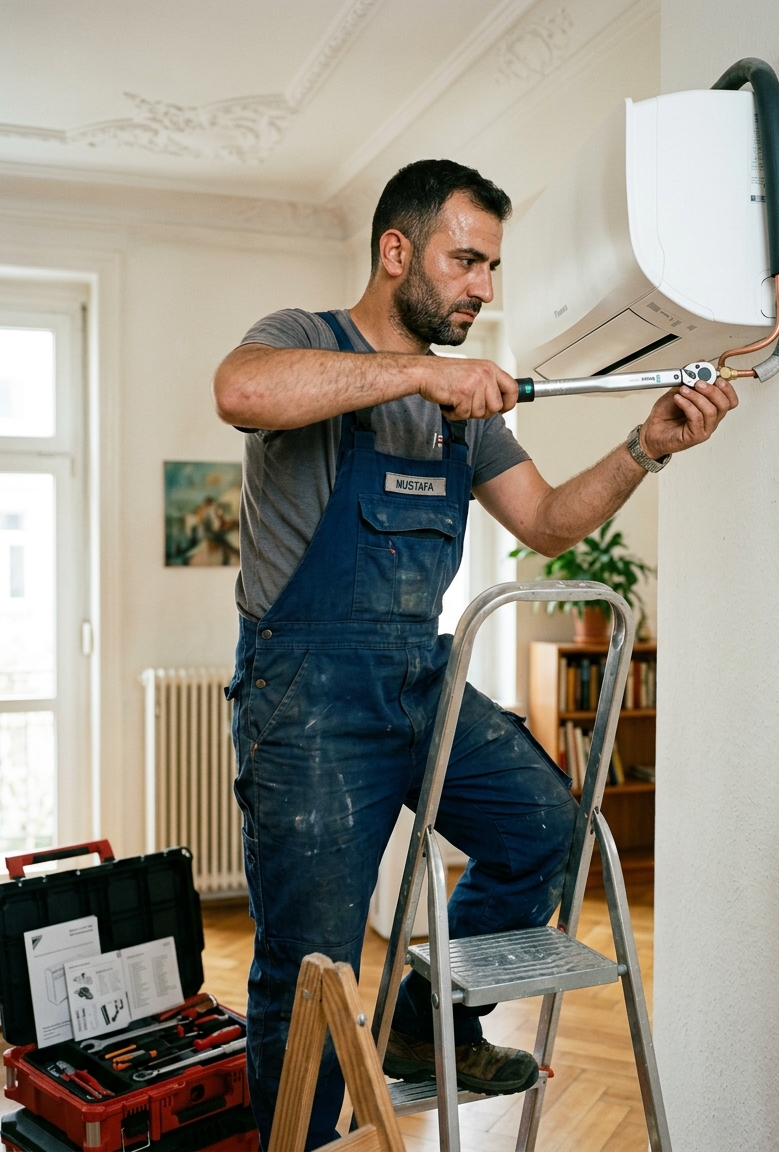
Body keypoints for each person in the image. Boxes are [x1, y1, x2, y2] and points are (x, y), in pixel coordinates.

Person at [213, 158, 737, 1149]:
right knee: (311, 965)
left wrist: (646, 446)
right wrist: (422, 372)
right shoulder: (304, 339)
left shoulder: (469, 413)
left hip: (423, 678)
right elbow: (241, 390)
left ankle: (424, 1022)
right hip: (308, 698)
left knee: (549, 829)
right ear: (396, 251)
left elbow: (546, 521)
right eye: (466, 261)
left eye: (492, 266)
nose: (484, 287)